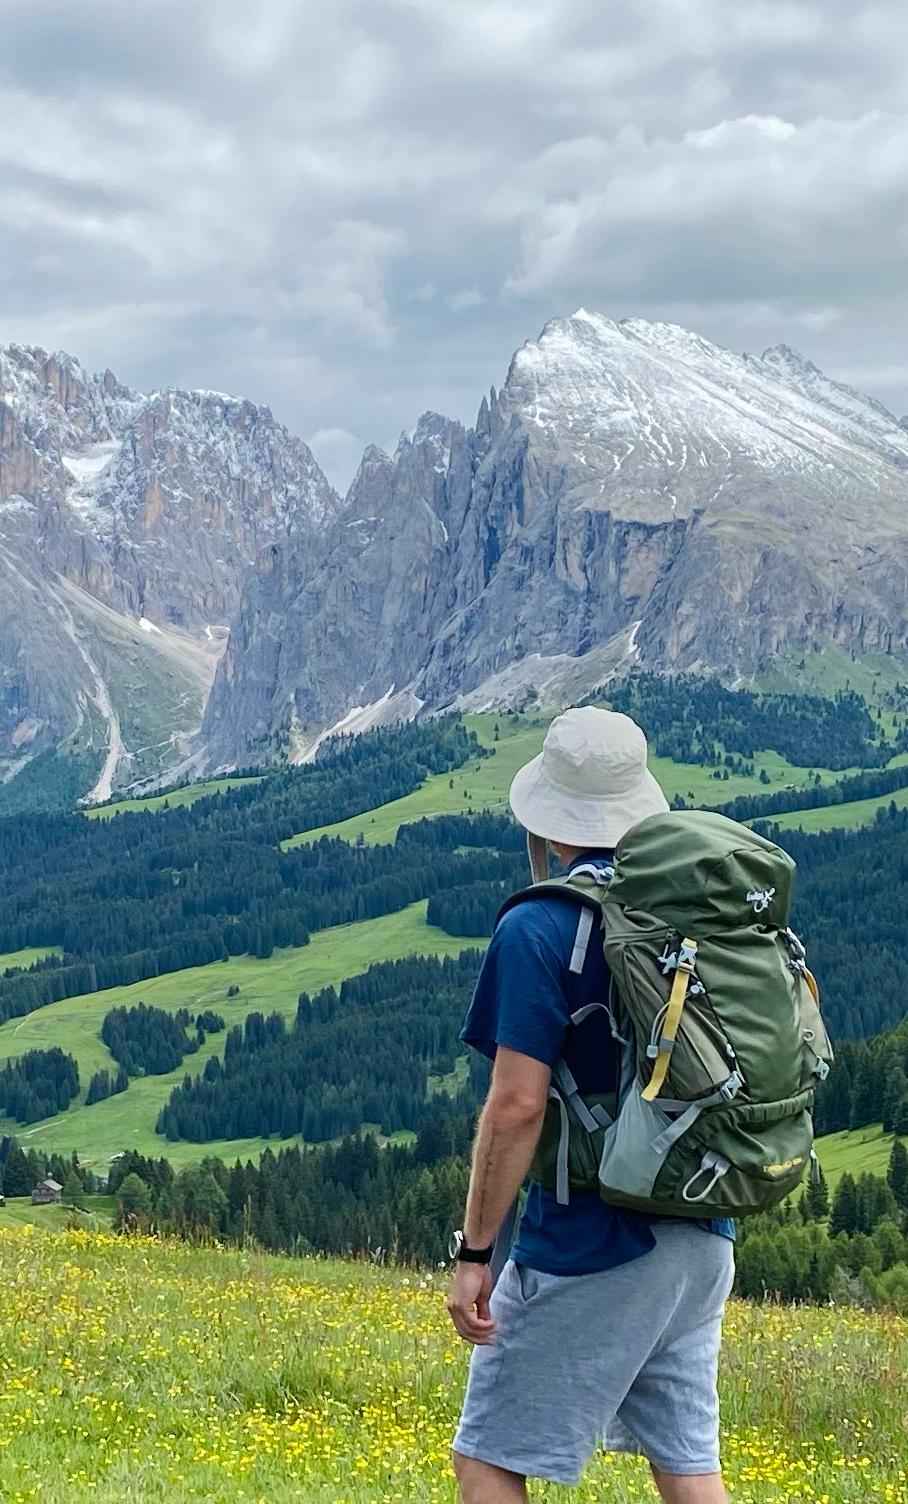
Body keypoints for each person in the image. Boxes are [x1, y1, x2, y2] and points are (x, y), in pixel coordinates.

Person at [448, 706, 736, 1504]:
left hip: (594, 1238)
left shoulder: (540, 926)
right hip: (702, 1229)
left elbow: (515, 1107)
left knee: (487, 1458)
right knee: (687, 1468)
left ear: (547, 822)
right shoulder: (692, 918)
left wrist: (475, 1254)